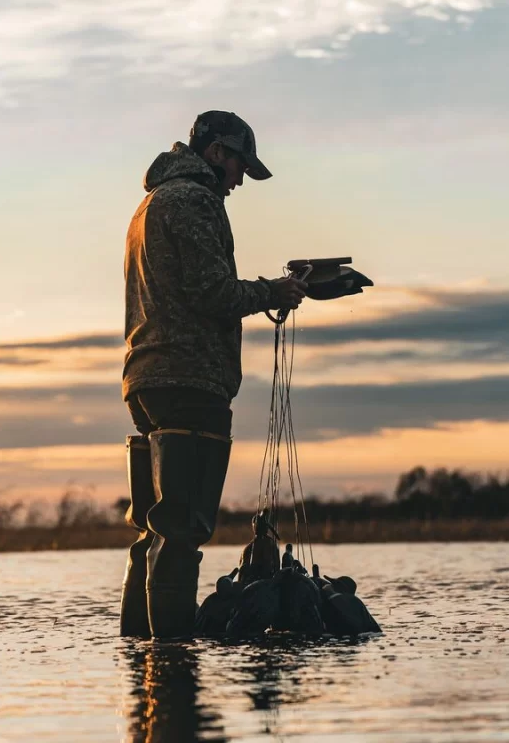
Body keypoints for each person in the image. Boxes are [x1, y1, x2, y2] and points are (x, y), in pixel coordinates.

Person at [119, 110, 308, 639]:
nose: (240, 179)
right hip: (189, 383)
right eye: (239, 165)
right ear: (217, 153)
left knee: (152, 531)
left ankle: (139, 666)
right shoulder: (195, 200)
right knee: (181, 531)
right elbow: (213, 293)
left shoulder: (150, 204)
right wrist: (274, 291)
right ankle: (175, 671)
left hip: (146, 382)